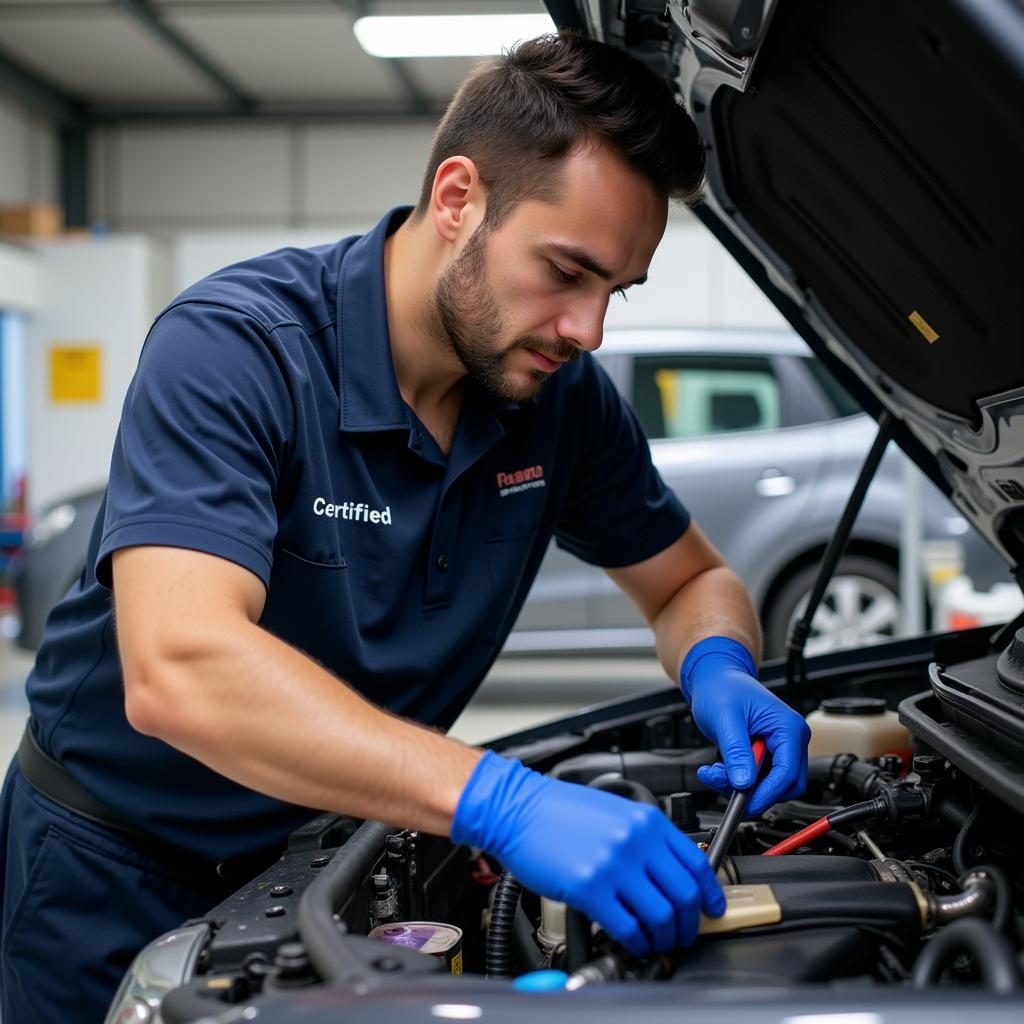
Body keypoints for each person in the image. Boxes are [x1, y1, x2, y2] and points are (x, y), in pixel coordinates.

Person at [0, 31, 810, 1023]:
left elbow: (690, 583)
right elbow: (180, 670)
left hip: (334, 860)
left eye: (614, 292)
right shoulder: (238, 349)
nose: (589, 330)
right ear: (459, 198)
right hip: (115, 866)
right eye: (566, 270)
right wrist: (502, 800)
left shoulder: (562, 404)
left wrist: (719, 665)